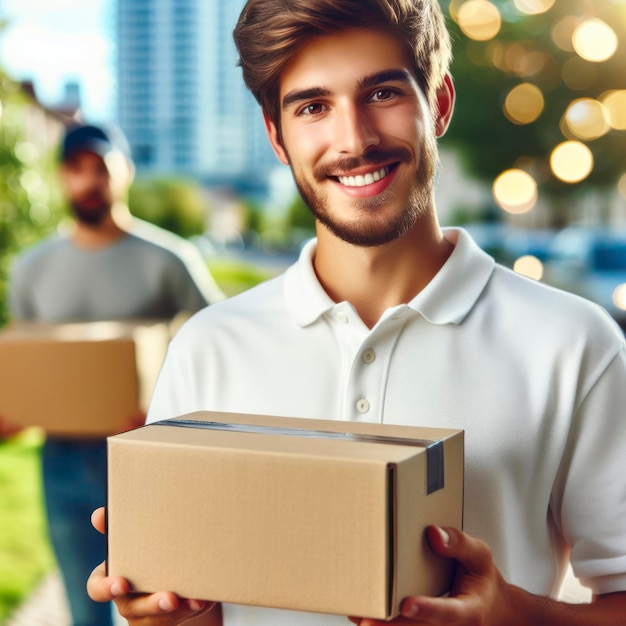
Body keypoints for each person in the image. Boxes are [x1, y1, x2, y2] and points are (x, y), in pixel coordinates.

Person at [87, 0, 626, 624]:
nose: (355, 140)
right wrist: (168, 612)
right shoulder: (208, 347)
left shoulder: (574, 343)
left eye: (383, 93)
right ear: (276, 136)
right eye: (313, 106)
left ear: (440, 103)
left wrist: (506, 612)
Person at [4, 122, 224, 626]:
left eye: (99, 168)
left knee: (166, 607)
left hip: (150, 458)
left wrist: (173, 416)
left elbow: (223, 351)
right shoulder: (30, 268)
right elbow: (24, 358)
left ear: (123, 173)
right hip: (59, 459)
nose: (87, 181)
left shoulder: (169, 259)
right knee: (87, 610)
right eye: (75, 169)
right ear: (61, 178)